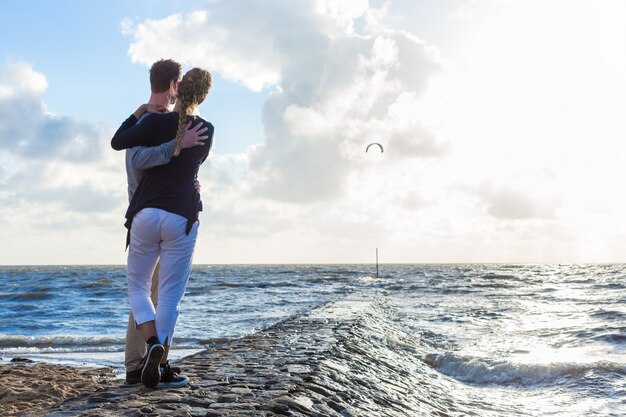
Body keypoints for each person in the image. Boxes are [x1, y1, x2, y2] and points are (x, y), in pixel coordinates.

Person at [111, 67, 213, 389]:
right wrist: (177, 146)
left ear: (177, 88)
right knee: (169, 298)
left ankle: (152, 347)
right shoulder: (206, 128)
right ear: (203, 96)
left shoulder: (152, 123)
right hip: (180, 214)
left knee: (138, 288)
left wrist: (144, 116)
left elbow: (120, 144)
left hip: (144, 214)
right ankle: (161, 362)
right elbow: (186, 165)